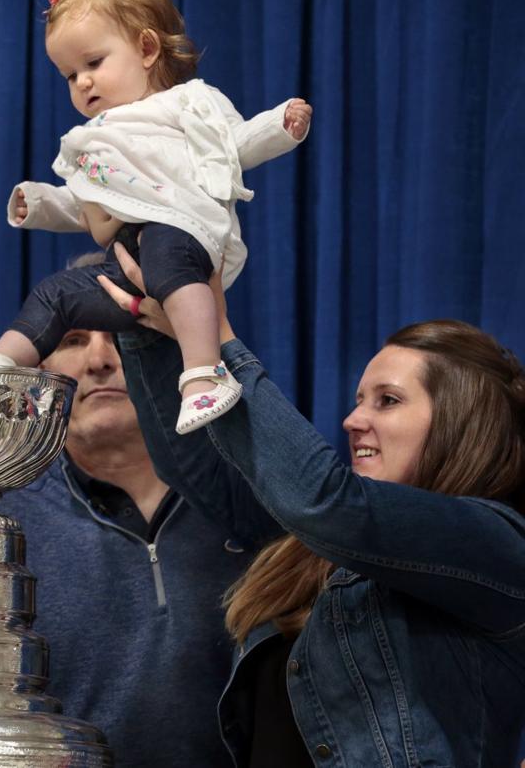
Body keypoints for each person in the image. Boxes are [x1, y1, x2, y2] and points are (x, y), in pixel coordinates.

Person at [101, 245, 525, 767]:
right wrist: (148, 320)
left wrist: (216, 342)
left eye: (386, 401)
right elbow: (198, 470)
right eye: (357, 400)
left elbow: (328, 505)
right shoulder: (313, 551)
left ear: (463, 423)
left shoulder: (494, 539)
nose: (352, 421)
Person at [0, 0, 311, 435]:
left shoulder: (188, 103)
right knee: (57, 293)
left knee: (166, 246)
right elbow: (86, 201)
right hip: (126, 263)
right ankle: (1, 364)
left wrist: (277, 126)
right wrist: (40, 202)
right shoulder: (95, 139)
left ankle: (204, 373)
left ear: (147, 48)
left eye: (92, 64)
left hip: (182, 236)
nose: (81, 83)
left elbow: (234, 146)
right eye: (69, 75)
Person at [0, 254, 272, 767]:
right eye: (74, 340)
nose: (100, 360)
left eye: (125, 332)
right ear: (41, 370)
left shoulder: (254, 500)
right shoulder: (3, 527)